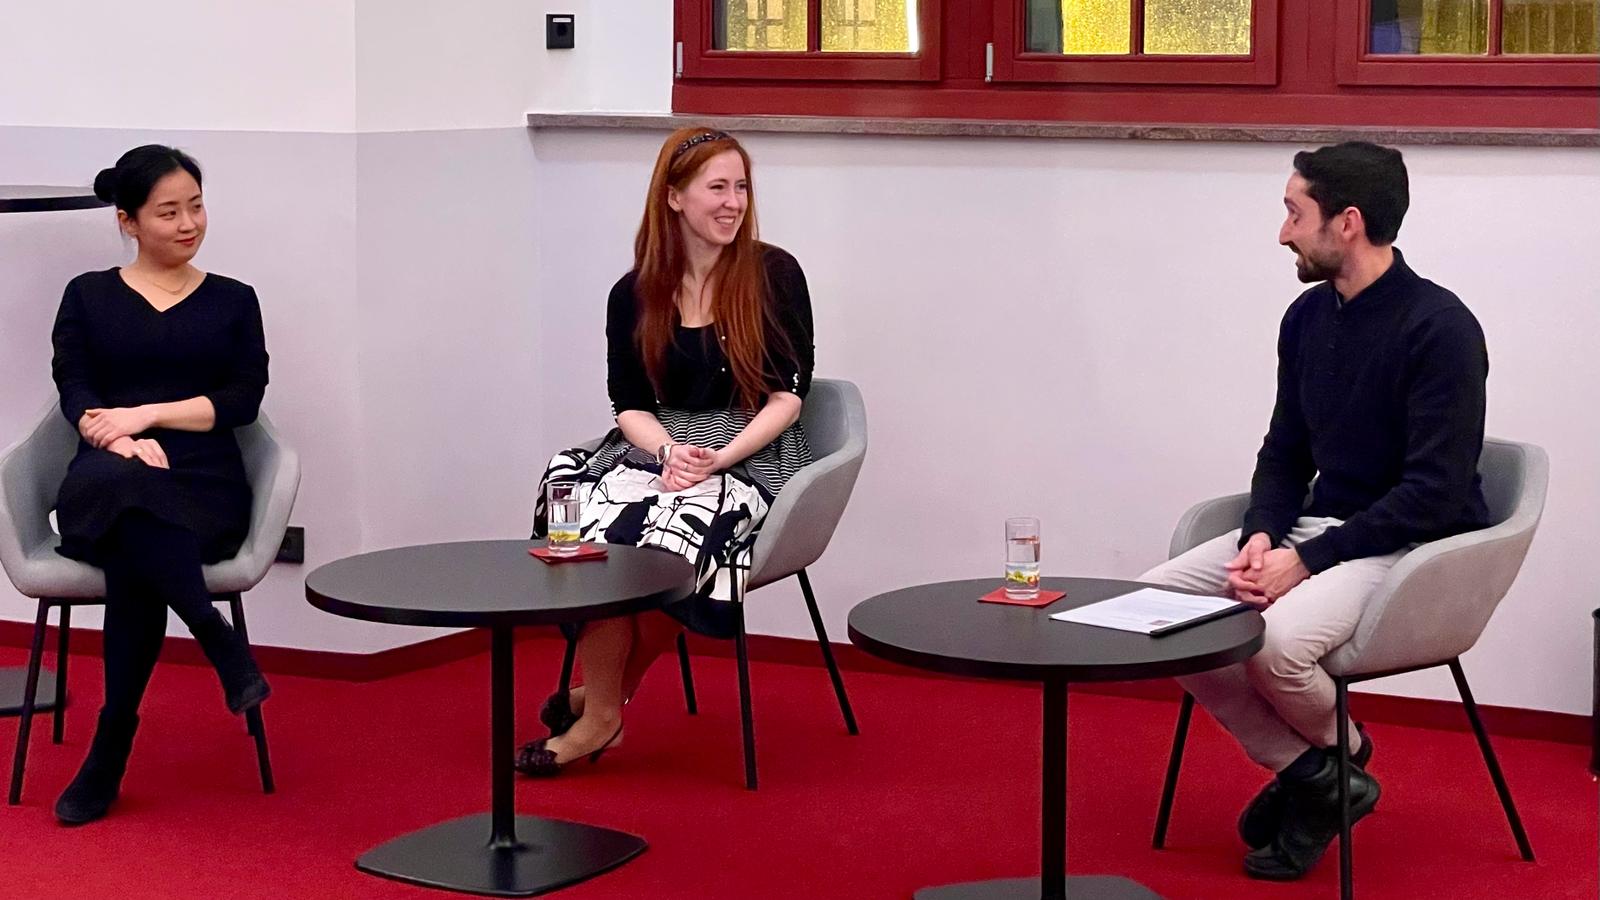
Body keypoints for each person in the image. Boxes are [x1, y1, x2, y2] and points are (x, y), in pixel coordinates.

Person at [1138, 141, 1490, 880]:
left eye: (1295, 214)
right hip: (1317, 528)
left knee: (1272, 645)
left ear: (1347, 222)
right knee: (1156, 609)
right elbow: (1285, 452)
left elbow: (1433, 492)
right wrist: (1262, 533)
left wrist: (1303, 561)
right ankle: (1324, 773)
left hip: (1408, 544)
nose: (1283, 233)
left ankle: (1321, 776)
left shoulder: (1442, 328)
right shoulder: (1306, 318)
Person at [514, 127, 815, 777]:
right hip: (660, 443)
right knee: (587, 517)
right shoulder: (633, 292)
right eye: (717, 187)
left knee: (675, 532)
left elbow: (788, 397)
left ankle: (602, 707)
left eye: (741, 187)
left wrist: (718, 457)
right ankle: (605, 701)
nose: (733, 202)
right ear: (674, 197)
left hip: (750, 444)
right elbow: (627, 404)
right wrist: (669, 452)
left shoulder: (775, 274)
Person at [48, 144, 272, 824]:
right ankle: (212, 632)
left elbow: (242, 400)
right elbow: (75, 387)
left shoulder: (234, 300)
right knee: (125, 495)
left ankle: (110, 744)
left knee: (134, 545)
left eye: (196, 207)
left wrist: (146, 415)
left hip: (201, 476)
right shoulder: (87, 294)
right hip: (108, 466)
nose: (188, 224)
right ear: (128, 220)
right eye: (168, 212)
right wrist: (118, 438)